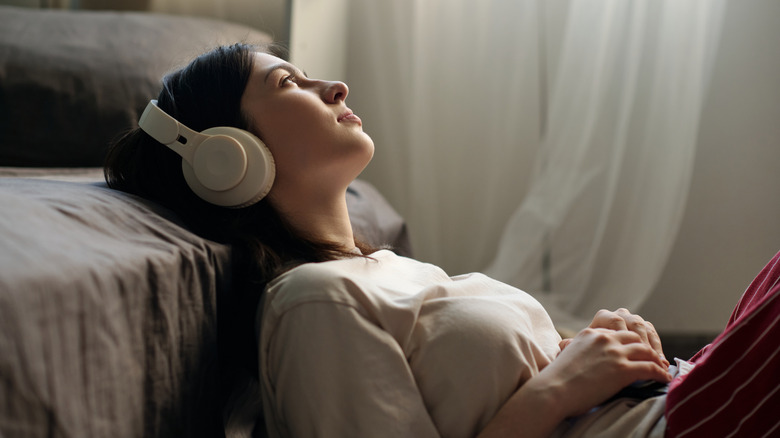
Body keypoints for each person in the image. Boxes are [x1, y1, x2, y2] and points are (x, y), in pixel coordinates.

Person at [104, 43, 780, 438]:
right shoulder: (312, 301)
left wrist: (583, 352)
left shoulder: (390, 271)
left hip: (682, 397)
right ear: (228, 156)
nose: (332, 84)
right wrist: (560, 389)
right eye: (288, 84)